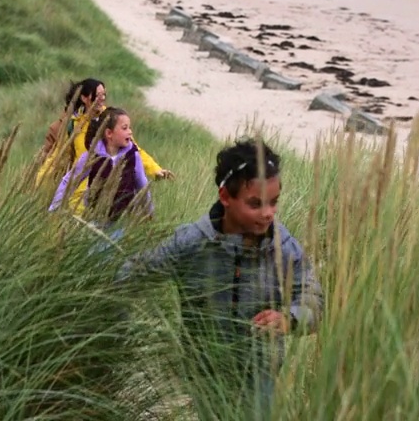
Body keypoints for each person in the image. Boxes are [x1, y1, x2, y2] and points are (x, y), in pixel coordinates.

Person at [114, 138, 323, 418]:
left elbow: (314, 299)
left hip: (260, 370)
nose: (267, 214)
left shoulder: (284, 248)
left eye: (274, 203)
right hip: (204, 370)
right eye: (255, 204)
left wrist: (290, 318)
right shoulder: (191, 242)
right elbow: (133, 275)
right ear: (225, 197)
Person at [36, 78, 172, 214]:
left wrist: (155, 170)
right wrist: (39, 182)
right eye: (98, 95)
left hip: (109, 198)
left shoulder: (111, 121)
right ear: (84, 98)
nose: (102, 98)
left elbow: (135, 150)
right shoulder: (73, 125)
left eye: (104, 94)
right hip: (79, 196)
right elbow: (56, 156)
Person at [48, 107, 155, 245]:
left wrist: (148, 211)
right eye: (125, 128)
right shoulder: (92, 156)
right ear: (109, 133)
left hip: (122, 220)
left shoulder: (133, 155)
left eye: (130, 127)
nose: (130, 131)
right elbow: (69, 180)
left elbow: (142, 184)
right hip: (95, 220)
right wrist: (55, 207)